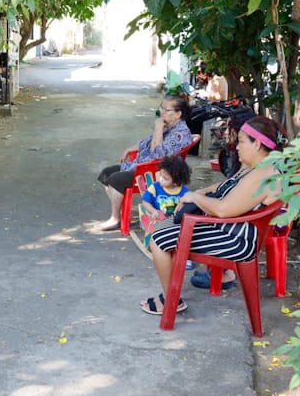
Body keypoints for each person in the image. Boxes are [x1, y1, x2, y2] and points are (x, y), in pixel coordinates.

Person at [139, 115, 286, 315]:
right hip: (229, 228)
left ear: (258, 144)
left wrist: (194, 198)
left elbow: (223, 210)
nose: (237, 147)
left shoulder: (263, 174)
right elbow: (224, 186)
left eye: (242, 141)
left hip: (236, 239)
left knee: (159, 238)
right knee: (166, 227)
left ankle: (170, 301)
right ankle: (171, 296)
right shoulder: (255, 168)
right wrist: (199, 193)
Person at [96, 94, 193, 231]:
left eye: (166, 110)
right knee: (106, 173)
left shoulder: (179, 134)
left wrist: (158, 128)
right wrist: (129, 149)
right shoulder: (169, 126)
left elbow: (157, 153)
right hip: (142, 165)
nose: (162, 112)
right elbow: (148, 143)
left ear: (178, 114)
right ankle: (120, 212)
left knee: (115, 179)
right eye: (161, 107)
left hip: (154, 172)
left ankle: (115, 218)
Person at [140, 156, 193, 270]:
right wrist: (153, 211)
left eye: (165, 178)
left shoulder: (184, 191)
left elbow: (187, 204)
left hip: (176, 220)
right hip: (159, 219)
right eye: (161, 175)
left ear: (176, 182)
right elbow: (145, 201)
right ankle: (164, 250)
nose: (161, 180)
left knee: (187, 232)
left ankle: (184, 255)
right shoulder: (155, 187)